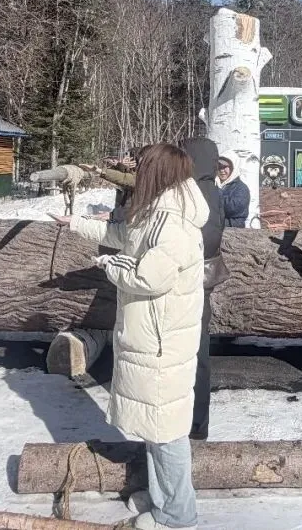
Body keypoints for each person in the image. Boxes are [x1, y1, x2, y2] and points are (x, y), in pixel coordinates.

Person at [51, 143, 207, 530]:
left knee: (167, 431)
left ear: (158, 171)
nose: (135, 171)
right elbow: (125, 234)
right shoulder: (160, 207)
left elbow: (147, 277)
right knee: (157, 426)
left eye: (142, 165)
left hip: (162, 341)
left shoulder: (174, 221)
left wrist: (110, 264)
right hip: (155, 335)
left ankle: (177, 515)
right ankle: (164, 499)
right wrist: (76, 224)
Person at [181, 137, 228, 442]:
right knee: (199, 351)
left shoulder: (191, 191)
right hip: (204, 280)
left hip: (189, 280)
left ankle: (191, 422)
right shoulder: (213, 190)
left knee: (191, 352)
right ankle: (198, 423)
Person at [216, 156, 250, 228]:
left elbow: (233, 208)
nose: (222, 170)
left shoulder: (241, 188)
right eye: (219, 167)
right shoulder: (213, 184)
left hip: (233, 226)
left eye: (225, 167)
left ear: (232, 168)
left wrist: (214, 196)